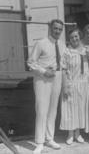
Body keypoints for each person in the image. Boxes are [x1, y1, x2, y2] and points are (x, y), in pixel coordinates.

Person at [28, 19, 66, 154]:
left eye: (60, 29)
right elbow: (31, 63)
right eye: (55, 28)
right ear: (50, 28)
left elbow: (64, 62)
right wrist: (44, 71)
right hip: (42, 80)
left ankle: (49, 138)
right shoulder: (41, 43)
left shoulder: (62, 45)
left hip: (57, 77)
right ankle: (39, 142)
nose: (57, 31)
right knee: (42, 110)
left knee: (53, 110)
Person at [60, 28, 88, 145]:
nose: (74, 39)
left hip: (82, 84)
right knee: (70, 109)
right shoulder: (67, 52)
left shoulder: (85, 51)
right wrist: (65, 86)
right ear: (69, 39)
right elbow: (63, 69)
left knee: (80, 109)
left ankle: (78, 133)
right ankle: (70, 134)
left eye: (76, 36)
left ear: (79, 37)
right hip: (70, 84)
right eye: (72, 37)